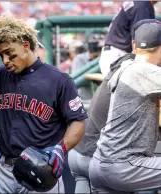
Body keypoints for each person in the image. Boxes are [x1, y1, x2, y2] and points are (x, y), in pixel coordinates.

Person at [0, 15, 88, 193]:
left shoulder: (58, 80)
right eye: (1, 55)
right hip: (6, 170)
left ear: (25, 46)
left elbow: (78, 121)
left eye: (10, 53)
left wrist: (61, 148)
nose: (5, 60)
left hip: (41, 170)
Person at [68, 19, 160, 194]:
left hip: (96, 160)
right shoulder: (144, 71)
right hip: (120, 165)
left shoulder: (124, 66)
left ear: (135, 45)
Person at [99, 1, 157, 76]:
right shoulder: (142, 4)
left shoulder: (140, 3)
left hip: (115, 56)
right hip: (118, 59)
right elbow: (142, 45)